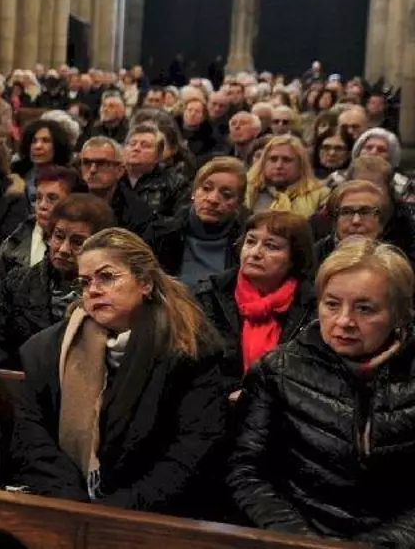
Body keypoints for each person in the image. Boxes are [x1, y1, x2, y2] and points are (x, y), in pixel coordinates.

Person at [8, 228, 227, 515]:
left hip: (154, 514)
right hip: (65, 504)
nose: (93, 290)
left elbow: (192, 448)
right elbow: (32, 435)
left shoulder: (190, 350)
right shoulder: (49, 350)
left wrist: (116, 510)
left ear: (145, 282)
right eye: (85, 282)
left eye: (107, 277)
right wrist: (73, 503)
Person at [227, 239, 415, 544]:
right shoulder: (277, 370)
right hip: (294, 538)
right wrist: (306, 543)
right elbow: (246, 471)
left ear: (399, 314)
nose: (344, 321)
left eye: (365, 308)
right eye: (331, 304)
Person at [0, 194, 114, 371]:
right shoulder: (17, 282)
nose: (64, 249)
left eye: (77, 242)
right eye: (59, 236)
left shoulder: (111, 293)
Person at [194, 211, 316, 389]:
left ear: (294, 258)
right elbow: (197, 369)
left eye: (271, 246)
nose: (255, 253)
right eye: (250, 242)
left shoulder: (312, 305)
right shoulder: (208, 296)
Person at [158, 157, 247, 286]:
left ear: (238, 203)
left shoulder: (245, 245)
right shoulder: (162, 234)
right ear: (194, 192)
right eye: (206, 188)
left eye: (226, 195)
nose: (213, 199)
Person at [0, 166, 83, 284]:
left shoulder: (87, 245)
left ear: (73, 203)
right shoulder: (13, 243)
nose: (42, 205)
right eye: (38, 198)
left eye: (52, 198)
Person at [77, 136, 155, 235]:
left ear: (120, 171)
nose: (92, 170)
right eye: (86, 163)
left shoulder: (137, 212)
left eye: (101, 163)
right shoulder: (70, 196)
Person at [246, 135, 328, 218]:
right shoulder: (247, 190)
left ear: (300, 165)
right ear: (263, 163)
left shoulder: (321, 195)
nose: (279, 166)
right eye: (273, 159)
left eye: (287, 160)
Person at [122, 125, 190, 221]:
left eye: (145, 145)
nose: (136, 148)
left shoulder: (176, 183)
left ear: (158, 155)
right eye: (132, 144)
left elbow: (179, 221)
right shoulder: (115, 178)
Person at [13, 119, 74, 204]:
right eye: (34, 141)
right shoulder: (16, 174)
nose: (38, 146)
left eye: (46, 141)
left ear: (58, 145)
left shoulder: (70, 178)